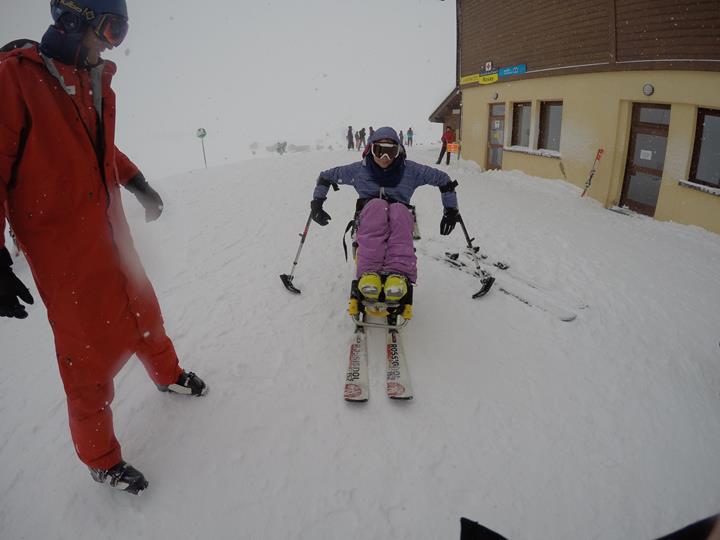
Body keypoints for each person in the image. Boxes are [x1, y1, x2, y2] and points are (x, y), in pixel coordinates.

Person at [0, 0, 207, 496]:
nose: (113, 43)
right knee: (86, 354)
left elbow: (100, 146)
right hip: (63, 253)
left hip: (112, 234)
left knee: (143, 311)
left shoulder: (87, 78)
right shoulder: (14, 80)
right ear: (71, 17)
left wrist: (137, 183)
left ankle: (168, 375)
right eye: (110, 29)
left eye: (122, 33)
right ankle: (101, 459)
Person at [309, 127, 460, 300]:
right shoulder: (360, 170)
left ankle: (398, 274)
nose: (384, 158)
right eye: (379, 150)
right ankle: (369, 273)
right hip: (369, 218)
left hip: (399, 221)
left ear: (398, 152)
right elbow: (326, 177)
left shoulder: (410, 170)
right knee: (377, 207)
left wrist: (450, 209)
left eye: (391, 152)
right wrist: (317, 204)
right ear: (370, 149)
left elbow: (444, 181)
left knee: (399, 211)